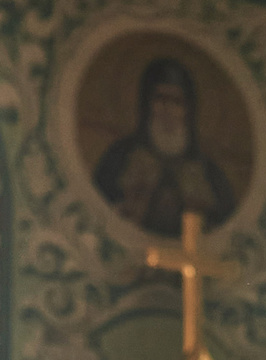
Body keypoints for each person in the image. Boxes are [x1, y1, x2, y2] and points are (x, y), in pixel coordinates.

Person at [93, 56, 239, 237]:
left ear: (188, 110)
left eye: (177, 102)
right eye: (160, 98)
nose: (168, 110)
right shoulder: (118, 158)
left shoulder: (210, 175)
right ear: (147, 104)